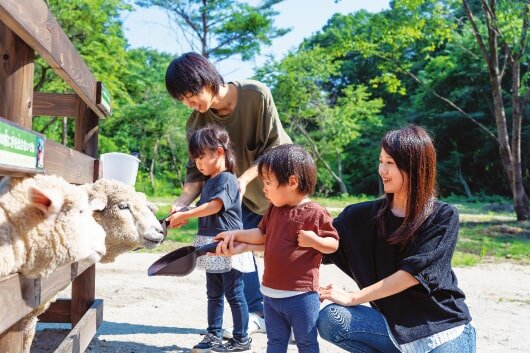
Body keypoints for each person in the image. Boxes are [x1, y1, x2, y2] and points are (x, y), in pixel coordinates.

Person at [317, 125, 476, 353]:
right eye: (381, 161)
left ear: (414, 166)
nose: (382, 169)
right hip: (390, 330)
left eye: (390, 163)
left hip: (442, 329)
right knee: (333, 319)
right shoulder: (360, 216)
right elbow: (319, 245)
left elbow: (412, 274)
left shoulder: (443, 216)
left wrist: (354, 297)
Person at [165, 52, 292, 336]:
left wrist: (243, 180)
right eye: (183, 100)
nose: (190, 104)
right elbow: (195, 172)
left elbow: (275, 149)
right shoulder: (196, 124)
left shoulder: (256, 95)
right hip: (238, 201)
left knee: (281, 252)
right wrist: (182, 203)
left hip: (278, 189)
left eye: (190, 95)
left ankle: (294, 318)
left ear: (206, 80)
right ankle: (258, 314)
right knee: (236, 248)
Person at [214, 144, 339, 353]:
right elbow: (262, 235)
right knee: (275, 343)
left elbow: (333, 244)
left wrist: (314, 241)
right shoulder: (274, 210)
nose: (264, 189)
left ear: (292, 182)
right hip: (270, 296)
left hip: (302, 296)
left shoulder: (315, 213)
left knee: (307, 343)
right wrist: (234, 234)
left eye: (268, 183)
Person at [168, 125, 254, 352]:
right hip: (211, 245)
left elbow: (215, 206)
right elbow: (204, 207)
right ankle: (213, 334)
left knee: (234, 294)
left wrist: (188, 212)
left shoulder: (227, 179)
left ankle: (241, 338)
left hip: (228, 245)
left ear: (218, 152)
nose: (198, 163)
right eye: (195, 159)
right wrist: (183, 214)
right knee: (213, 293)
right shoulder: (208, 181)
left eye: (201, 157)